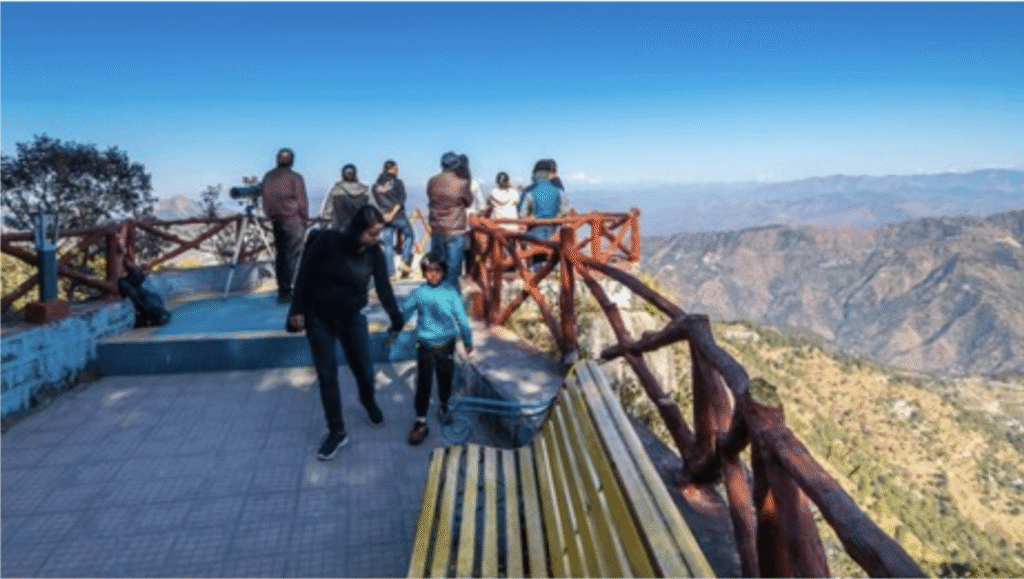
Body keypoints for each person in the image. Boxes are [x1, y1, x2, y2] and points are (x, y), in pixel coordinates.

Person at [286, 205, 404, 460]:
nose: (375, 239)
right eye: (372, 233)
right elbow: (304, 274)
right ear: (358, 229)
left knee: (364, 369)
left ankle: (368, 400)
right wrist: (296, 310)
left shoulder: (374, 254)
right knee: (327, 373)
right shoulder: (328, 241)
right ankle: (337, 431)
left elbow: (384, 289)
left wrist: (396, 317)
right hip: (319, 316)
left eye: (378, 233)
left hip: (352, 317)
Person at [388, 251, 473, 445]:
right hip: (425, 344)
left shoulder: (451, 293)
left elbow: (461, 318)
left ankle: (444, 405)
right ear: (423, 272)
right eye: (429, 270)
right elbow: (405, 312)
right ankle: (420, 421)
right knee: (424, 382)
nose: (433, 274)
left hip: (447, 343)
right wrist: (395, 328)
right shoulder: (418, 293)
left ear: (443, 272)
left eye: (437, 270)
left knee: (445, 377)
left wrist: (467, 339)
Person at [261, 147, 309, 303]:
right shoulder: (296, 178)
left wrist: (270, 215)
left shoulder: (268, 176)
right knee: (292, 257)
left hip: (277, 220)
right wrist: (305, 219)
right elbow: (302, 201)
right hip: (293, 220)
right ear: (292, 161)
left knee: (281, 255)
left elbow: (265, 200)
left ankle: (282, 290)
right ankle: (289, 291)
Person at [426, 152, 474, 289]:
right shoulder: (462, 183)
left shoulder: (432, 181)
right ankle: (450, 297)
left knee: (438, 268)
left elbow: (430, 197)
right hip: (455, 230)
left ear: (442, 165)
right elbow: (469, 202)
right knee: (453, 270)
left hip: (436, 229)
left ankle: (436, 296)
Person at [371, 160, 415, 279]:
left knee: (388, 245)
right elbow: (401, 201)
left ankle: (391, 273)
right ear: (392, 169)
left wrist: (384, 215)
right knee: (410, 235)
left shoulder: (375, 186)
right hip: (398, 216)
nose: (398, 170)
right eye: (397, 168)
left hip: (384, 218)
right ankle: (404, 262)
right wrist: (392, 214)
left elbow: (374, 203)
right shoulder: (397, 182)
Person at [456, 154, 484, 276]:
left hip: (455, 221)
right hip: (470, 221)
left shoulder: (453, 183)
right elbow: (481, 205)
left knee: (456, 251)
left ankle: (456, 277)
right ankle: (469, 276)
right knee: (469, 251)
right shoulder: (474, 183)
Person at [321, 164, 371, 232]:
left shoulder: (336, 189)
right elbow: (370, 211)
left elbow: (327, 211)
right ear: (355, 174)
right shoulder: (365, 190)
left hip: (339, 229)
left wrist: (323, 227)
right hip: (360, 230)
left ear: (342, 174)